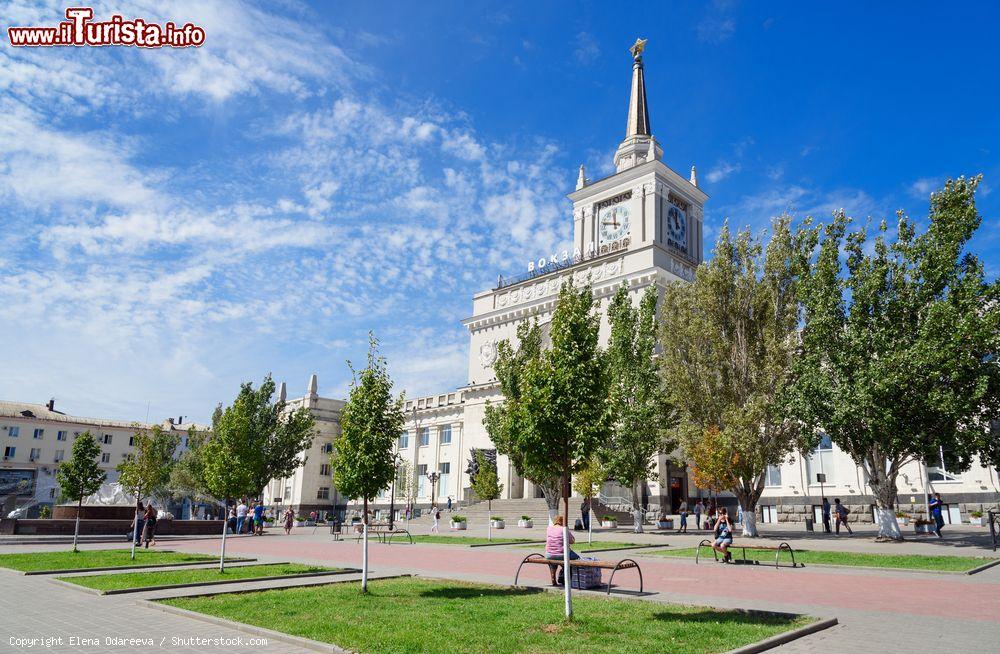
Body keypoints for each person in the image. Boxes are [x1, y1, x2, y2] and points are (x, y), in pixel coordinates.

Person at [545, 515, 579, 585]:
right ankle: (566, 577)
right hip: (562, 554)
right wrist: (568, 530)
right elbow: (572, 541)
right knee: (576, 557)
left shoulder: (549, 528)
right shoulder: (564, 529)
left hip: (549, 554)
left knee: (553, 560)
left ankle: (553, 577)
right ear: (563, 521)